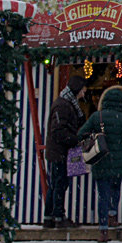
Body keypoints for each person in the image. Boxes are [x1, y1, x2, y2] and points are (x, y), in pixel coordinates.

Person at [77, 85, 122, 243]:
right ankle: (112, 215)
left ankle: (103, 230)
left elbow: (81, 133)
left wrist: (96, 136)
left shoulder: (97, 116)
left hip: (100, 159)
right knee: (115, 189)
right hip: (118, 161)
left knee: (102, 194)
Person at [43, 75, 87, 228]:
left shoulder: (67, 103)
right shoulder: (63, 105)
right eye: (83, 89)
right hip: (60, 151)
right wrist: (75, 139)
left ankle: (49, 217)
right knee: (60, 183)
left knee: (56, 184)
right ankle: (58, 216)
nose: (84, 92)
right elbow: (58, 131)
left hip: (60, 150)